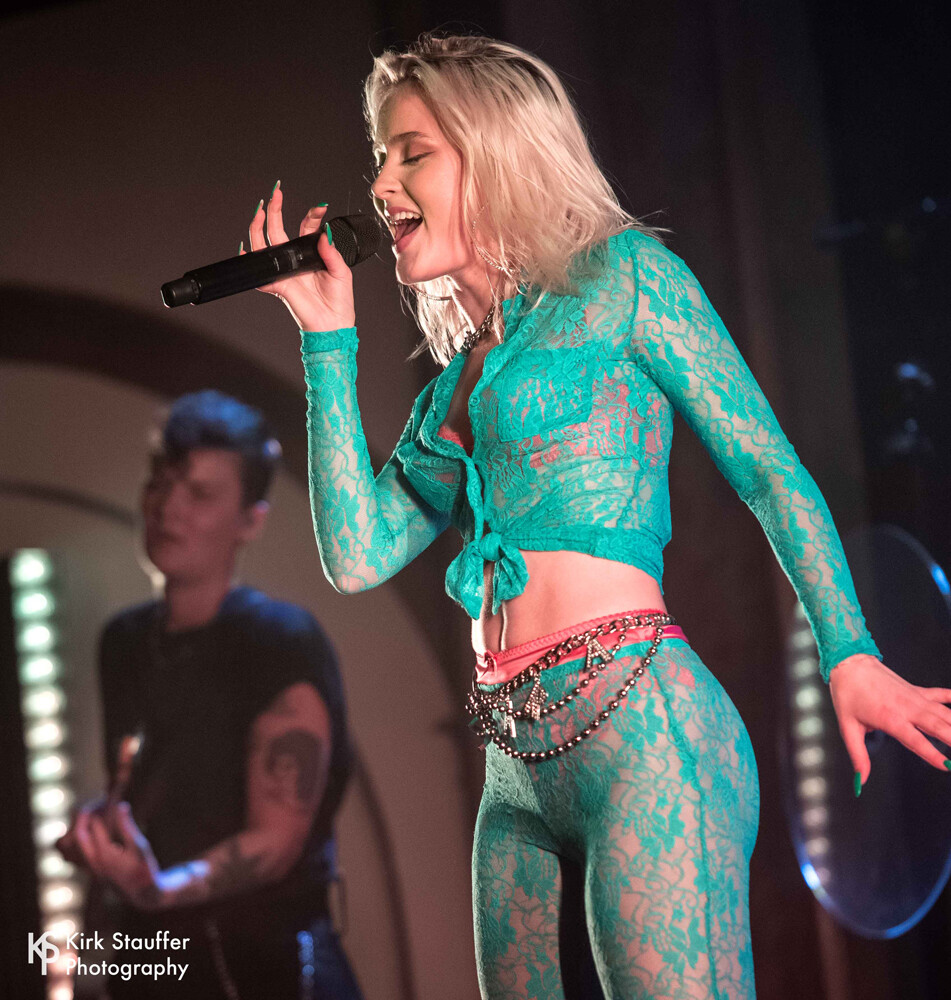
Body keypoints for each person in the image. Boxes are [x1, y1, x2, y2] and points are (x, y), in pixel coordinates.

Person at [245, 33, 951, 1000]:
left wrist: (849, 649)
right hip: (514, 773)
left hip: (644, 738)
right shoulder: (449, 389)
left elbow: (767, 469)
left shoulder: (622, 277)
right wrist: (327, 343)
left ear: (495, 153)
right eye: (379, 157)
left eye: (412, 153)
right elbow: (357, 555)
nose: (380, 183)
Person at [57, 391, 363, 1000]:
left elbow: (274, 843)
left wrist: (157, 890)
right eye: (161, 482)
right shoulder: (123, 640)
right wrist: (102, 831)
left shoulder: (278, 640)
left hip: (262, 970)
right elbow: (160, 790)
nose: (169, 507)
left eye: (199, 493)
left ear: (250, 520)